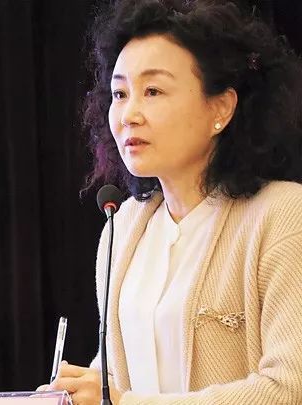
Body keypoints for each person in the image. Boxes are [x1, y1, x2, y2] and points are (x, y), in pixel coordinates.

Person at [40, 0, 302, 403]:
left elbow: (288, 389)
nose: (129, 114)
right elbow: (121, 371)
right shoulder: (123, 226)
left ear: (221, 107)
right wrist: (76, 391)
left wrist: (121, 402)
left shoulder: (284, 216)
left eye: (153, 91)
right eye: (119, 93)